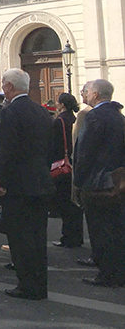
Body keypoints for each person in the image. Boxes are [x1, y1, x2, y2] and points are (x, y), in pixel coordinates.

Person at [0, 68, 53, 300]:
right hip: (40, 182)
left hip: (19, 185)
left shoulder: (10, 112)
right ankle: (40, 283)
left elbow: (8, 151)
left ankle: (27, 284)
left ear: (9, 86)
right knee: (38, 237)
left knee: (20, 238)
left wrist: (1, 183)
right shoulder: (41, 111)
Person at [74, 79, 125, 287]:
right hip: (116, 179)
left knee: (100, 230)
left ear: (95, 94)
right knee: (116, 229)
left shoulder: (94, 116)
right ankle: (117, 271)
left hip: (97, 181)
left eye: (87, 92)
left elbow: (84, 151)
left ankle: (107, 274)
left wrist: (78, 181)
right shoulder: (119, 116)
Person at [52, 92, 83, 248]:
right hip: (75, 163)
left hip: (63, 166)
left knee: (65, 203)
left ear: (62, 105)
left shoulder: (60, 121)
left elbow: (54, 146)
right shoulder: (76, 119)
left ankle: (68, 237)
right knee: (75, 204)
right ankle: (77, 236)